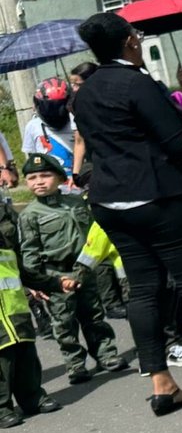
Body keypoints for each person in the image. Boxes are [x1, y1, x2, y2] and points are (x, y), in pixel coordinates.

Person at [69, 11, 182, 415]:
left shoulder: (83, 92)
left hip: (111, 202)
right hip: (160, 197)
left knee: (144, 289)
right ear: (128, 43)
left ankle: (162, 384)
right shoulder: (138, 83)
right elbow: (174, 142)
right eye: (134, 36)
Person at [17, 151, 123, 385]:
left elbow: (93, 234)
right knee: (64, 323)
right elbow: (29, 252)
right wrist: (37, 283)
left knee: (94, 314)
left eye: (45, 176)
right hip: (54, 275)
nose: (39, 182)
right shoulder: (30, 216)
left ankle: (106, 354)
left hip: (83, 269)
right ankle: (75, 364)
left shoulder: (76, 203)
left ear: (60, 178)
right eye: (33, 178)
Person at [0, 188, 74, 429]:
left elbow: (26, 273)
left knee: (27, 360)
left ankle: (32, 397)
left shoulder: (6, 251)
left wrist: (54, 283)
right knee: (2, 366)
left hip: (17, 317)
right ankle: (2, 408)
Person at [23, 77, 77, 180]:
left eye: (59, 107)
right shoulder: (33, 126)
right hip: (50, 183)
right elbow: (33, 157)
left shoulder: (75, 122)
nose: (54, 112)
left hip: (76, 179)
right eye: (49, 107)